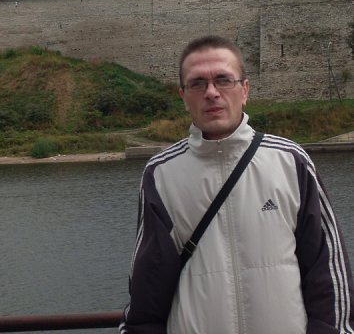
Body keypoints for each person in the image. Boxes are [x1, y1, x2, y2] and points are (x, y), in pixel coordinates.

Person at [120, 35, 354, 334]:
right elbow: (148, 291)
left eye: (223, 80)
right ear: (184, 97)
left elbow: (328, 275)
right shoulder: (161, 174)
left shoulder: (291, 161)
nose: (211, 92)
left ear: (244, 90)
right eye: (197, 83)